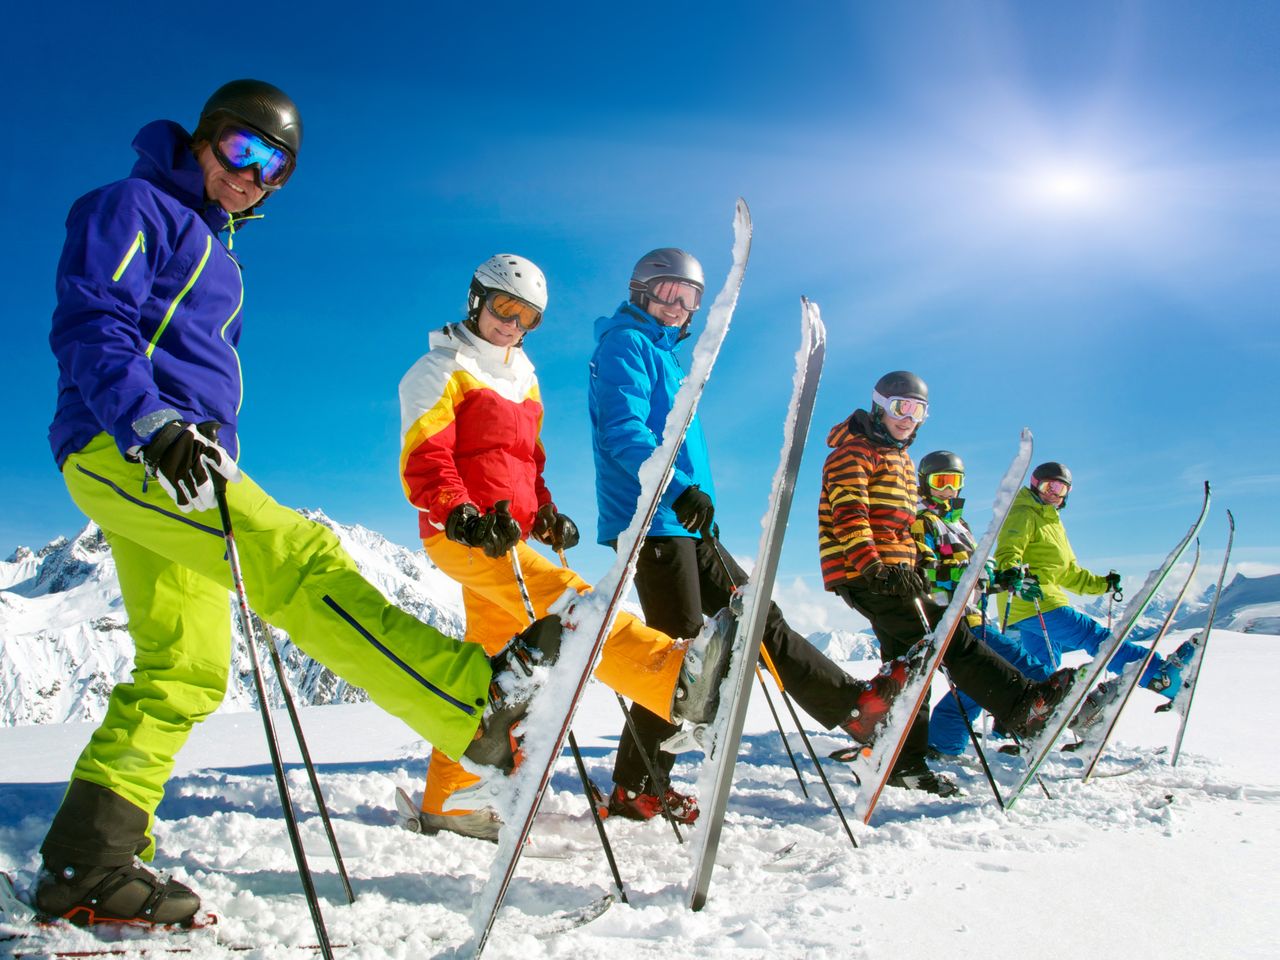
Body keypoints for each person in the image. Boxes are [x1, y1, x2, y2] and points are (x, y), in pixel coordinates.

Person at [36, 80, 537, 926]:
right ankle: (467, 701)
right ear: (206, 136)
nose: (253, 175)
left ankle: (90, 860)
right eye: (242, 150)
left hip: (178, 459)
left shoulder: (217, 249)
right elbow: (95, 320)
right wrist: (150, 423)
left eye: (275, 170)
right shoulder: (134, 206)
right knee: (301, 562)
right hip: (127, 446)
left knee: (185, 669)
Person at [397, 253, 737, 839]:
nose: (513, 324)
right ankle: (670, 682)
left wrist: (545, 511)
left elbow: (528, 462)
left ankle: (449, 800)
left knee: (487, 674)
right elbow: (426, 462)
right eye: (505, 308)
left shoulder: (522, 377)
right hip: (467, 536)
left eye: (528, 317)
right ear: (477, 299)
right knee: (577, 610)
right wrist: (465, 515)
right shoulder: (438, 370)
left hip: (511, 537)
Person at [587, 248, 894, 821]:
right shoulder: (625, 345)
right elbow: (623, 432)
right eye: (667, 293)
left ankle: (854, 709)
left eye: (690, 298)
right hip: (653, 520)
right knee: (681, 661)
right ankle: (636, 787)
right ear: (641, 292)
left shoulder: (665, 355)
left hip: (683, 519)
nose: (678, 306)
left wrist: (692, 500)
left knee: (755, 615)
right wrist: (678, 490)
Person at [819, 372, 1078, 794]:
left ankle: (903, 758)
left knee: (911, 665)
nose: (909, 417)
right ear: (879, 405)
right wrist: (873, 566)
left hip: (897, 575)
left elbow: (902, 532)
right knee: (948, 642)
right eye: (901, 406)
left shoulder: (898, 457)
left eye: (918, 410)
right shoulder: (855, 452)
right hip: (868, 573)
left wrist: (914, 570)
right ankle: (1020, 706)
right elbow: (850, 514)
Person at [993, 462, 1193, 727]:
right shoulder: (1024, 513)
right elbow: (1009, 549)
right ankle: (1157, 675)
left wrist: (1103, 585)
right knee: (1097, 639)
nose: (1054, 492)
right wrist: (1010, 571)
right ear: (1034, 484)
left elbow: (1069, 574)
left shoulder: (1051, 522)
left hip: (1037, 605)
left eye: (1060, 488)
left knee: (1039, 673)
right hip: (1035, 600)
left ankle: (1022, 725)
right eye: (1048, 485)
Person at [911, 451, 1055, 758]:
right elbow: (924, 572)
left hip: (973, 616)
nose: (948, 490)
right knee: (1027, 668)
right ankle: (1035, 724)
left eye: (955, 482)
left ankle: (942, 744)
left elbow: (975, 578)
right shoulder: (923, 522)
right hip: (952, 619)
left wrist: (1001, 579)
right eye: (941, 482)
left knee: (975, 687)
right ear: (925, 484)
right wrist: (970, 571)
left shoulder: (959, 524)